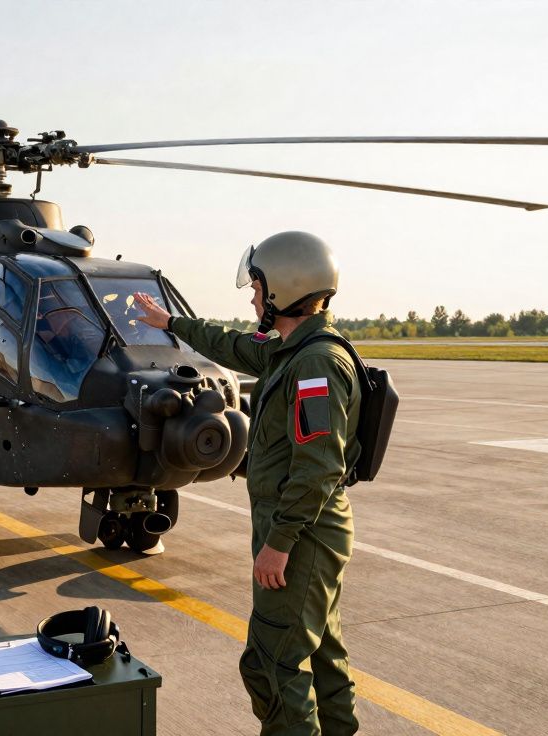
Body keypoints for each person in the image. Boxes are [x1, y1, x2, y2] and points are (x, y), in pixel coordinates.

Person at [134, 231, 361, 735]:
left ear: (285, 286)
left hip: (302, 537)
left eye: (258, 285)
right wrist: (169, 322)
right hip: (308, 531)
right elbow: (231, 345)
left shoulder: (315, 365)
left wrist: (278, 544)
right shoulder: (290, 351)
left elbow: (319, 466)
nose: (253, 295)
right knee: (321, 657)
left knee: (271, 667)